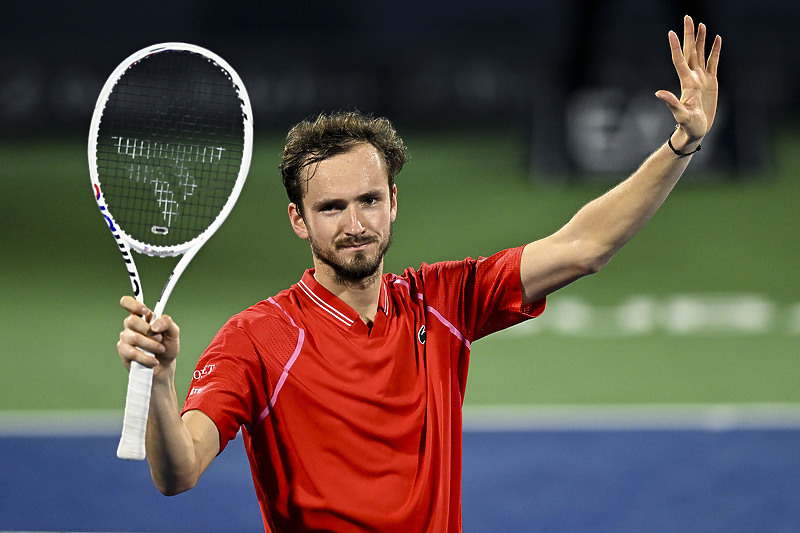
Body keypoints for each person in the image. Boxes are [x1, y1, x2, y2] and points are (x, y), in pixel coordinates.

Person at [116, 15, 721, 533]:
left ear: (394, 202)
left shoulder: (443, 300)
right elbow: (179, 471)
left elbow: (584, 246)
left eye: (370, 200)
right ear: (299, 220)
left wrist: (680, 145)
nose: (355, 223)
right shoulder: (258, 338)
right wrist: (162, 383)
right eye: (332, 207)